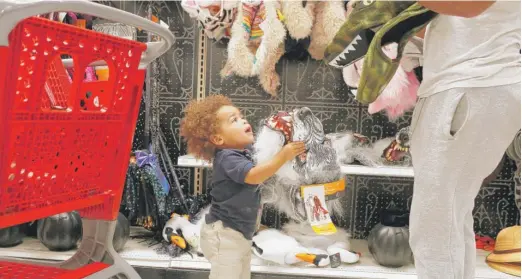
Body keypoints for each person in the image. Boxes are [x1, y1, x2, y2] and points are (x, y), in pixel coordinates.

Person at [409, 1, 521, 279]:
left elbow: (469, 7)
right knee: (451, 213)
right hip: (477, 84)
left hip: (470, 84)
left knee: (434, 223)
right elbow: (455, 20)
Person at [180, 95, 306, 279]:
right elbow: (254, 176)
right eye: (234, 120)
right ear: (218, 138)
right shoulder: (227, 158)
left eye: (241, 116)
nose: (243, 120)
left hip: (239, 233)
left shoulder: (243, 153)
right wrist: (283, 156)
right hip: (225, 235)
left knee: (241, 274)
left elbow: (264, 163)